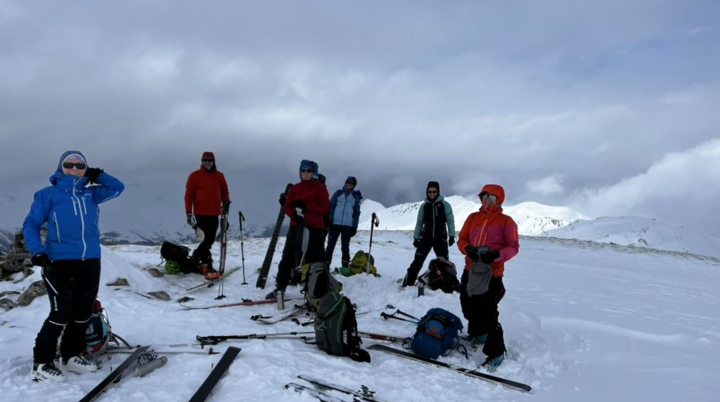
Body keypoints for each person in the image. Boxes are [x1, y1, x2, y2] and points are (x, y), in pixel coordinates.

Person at [23, 150, 125, 382]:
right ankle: (41, 362)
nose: (75, 169)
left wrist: (99, 175)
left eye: (81, 166)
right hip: (59, 261)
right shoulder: (47, 195)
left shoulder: (91, 194)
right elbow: (31, 224)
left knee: (82, 313)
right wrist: (37, 252)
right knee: (60, 313)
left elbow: (118, 187)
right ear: (61, 167)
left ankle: (69, 356)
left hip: (90, 261)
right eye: (70, 164)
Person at [457, 184, 519, 371]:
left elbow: (513, 247)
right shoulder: (473, 217)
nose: (486, 200)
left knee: (488, 311)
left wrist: (495, 255)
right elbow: (462, 239)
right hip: (471, 269)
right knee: (467, 304)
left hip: (493, 273)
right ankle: (478, 334)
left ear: (499, 199)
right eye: (484, 196)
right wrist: (467, 249)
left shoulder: (507, 222)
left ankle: (496, 352)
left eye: (491, 197)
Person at [267, 160, 330, 299]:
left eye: (308, 170)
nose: (305, 173)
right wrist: (294, 215)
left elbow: (325, 209)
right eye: (303, 170)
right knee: (288, 257)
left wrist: (307, 206)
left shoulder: (320, 189)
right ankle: (280, 289)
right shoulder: (296, 188)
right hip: (296, 227)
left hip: (315, 228)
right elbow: (288, 206)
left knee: (316, 259)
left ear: (314, 172)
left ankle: (317, 290)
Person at [184, 151, 230, 280]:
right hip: (200, 213)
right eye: (205, 160)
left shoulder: (219, 176)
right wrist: (189, 212)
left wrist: (226, 203)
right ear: (201, 162)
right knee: (205, 240)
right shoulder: (194, 176)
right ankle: (207, 267)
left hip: (215, 213)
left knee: (209, 241)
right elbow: (189, 195)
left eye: (209, 160)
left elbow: (224, 191)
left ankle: (196, 256)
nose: (207, 163)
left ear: (214, 161)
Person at [401, 181, 455, 287]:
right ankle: (408, 283)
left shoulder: (445, 205)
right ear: (427, 192)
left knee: (444, 263)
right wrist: (416, 238)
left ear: (438, 192)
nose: (432, 194)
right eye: (429, 191)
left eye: (434, 191)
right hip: (425, 239)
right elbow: (419, 222)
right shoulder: (424, 206)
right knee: (417, 262)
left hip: (440, 239)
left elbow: (450, 221)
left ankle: (447, 285)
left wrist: (452, 236)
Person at [324, 176, 362, 268]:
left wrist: (354, 227)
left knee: (345, 248)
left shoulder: (355, 197)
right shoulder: (338, 193)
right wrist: (330, 220)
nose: (349, 184)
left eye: (351, 183)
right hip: (335, 224)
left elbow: (356, 213)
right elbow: (331, 207)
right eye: (348, 182)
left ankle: (345, 267)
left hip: (347, 225)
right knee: (330, 246)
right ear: (345, 183)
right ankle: (326, 266)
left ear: (354, 185)